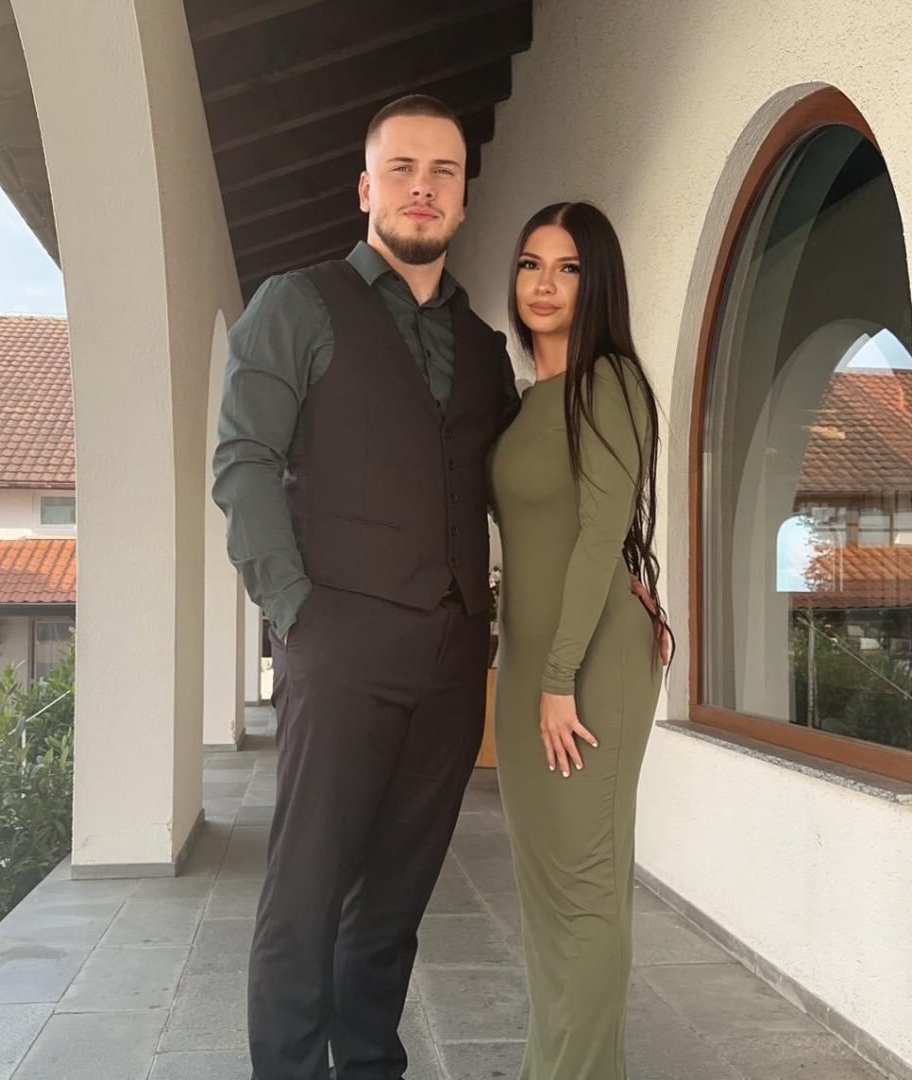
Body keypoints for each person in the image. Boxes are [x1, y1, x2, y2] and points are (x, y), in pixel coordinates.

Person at [212, 95, 518, 1080]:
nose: (423, 188)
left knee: (392, 907)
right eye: (403, 169)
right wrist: (296, 616)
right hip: (338, 647)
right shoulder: (296, 305)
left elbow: (512, 490)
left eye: (443, 172)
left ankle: (370, 1066)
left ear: (464, 198)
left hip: (454, 662)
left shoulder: (485, 349)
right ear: (366, 188)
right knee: (304, 901)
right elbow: (244, 463)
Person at [490, 201, 670, 1080]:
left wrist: (559, 676)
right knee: (546, 896)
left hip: (586, 668)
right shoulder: (526, 401)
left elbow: (601, 532)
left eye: (567, 268)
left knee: (587, 887)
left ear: (597, 283)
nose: (545, 284)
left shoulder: (611, 382)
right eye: (531, 264)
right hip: (529, 666)